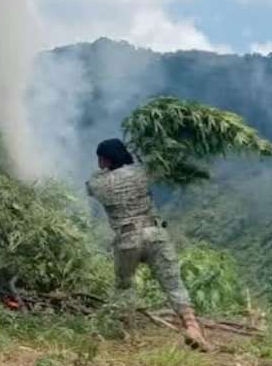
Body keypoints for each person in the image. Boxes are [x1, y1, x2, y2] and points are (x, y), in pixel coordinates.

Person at [85, 138, 212, 351]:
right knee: (173, 284)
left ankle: (128, 332)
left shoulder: (99, 183)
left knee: (124, 285)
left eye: (100, 157)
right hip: (155, 233)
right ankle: (192, 327)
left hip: (127, 239)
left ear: (105, 159)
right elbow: (157, 166)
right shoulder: (141, 172)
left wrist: (105, 171)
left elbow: (90, 186)